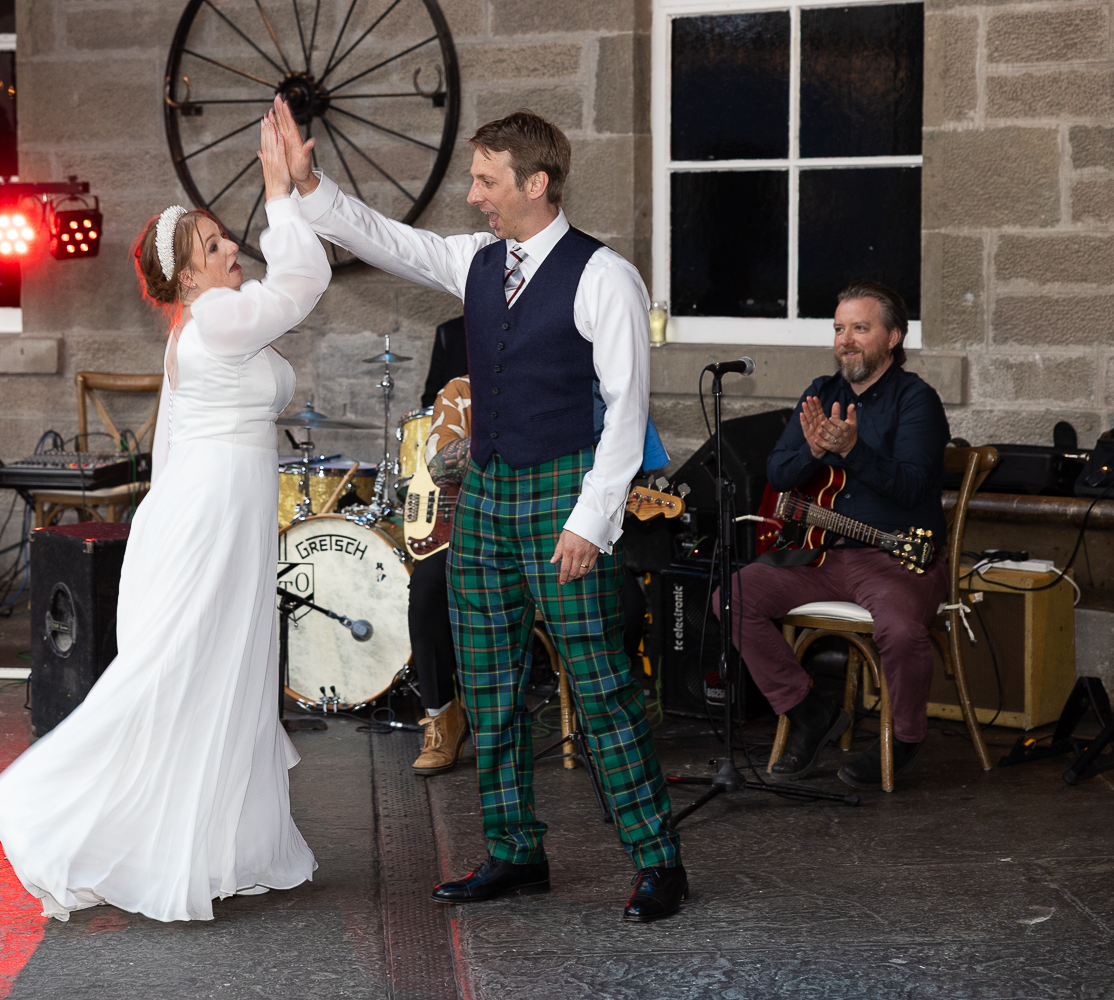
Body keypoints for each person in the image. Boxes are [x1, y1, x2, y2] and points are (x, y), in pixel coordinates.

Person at [275, 98, 687, 921]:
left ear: (536, 183)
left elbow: (627, 409)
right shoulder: (475, 259)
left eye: (487, 180)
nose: (472, 195)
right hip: (489, 497)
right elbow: (389, 239)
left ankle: (659, 861)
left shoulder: (604, 275)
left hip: (565, 494)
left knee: (602, 684)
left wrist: (590, 521)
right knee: (491, 682)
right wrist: (310, 186)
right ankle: (514, 852)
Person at [0, 113, 329, 924]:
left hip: (222, 516)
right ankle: (45, 809)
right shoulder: (214, 320)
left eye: (224, 236)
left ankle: (215, 849)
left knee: (223, 680)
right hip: (212, 519)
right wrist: (280, 193)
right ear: (186, 277)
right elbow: (306, 281)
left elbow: (170, 442)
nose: (231, 246)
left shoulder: (206, 326)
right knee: (186, 676)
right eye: (213, 245)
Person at [722, 280, 950, 791]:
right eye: (839, 329)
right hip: (819, 556)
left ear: (893, 337)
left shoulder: (917, 400)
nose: (846, 340)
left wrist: (852, 451)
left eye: (860, 328)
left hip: (896, 559)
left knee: (900, 630)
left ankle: (905, 738)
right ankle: (809, 713)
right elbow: (778, 472)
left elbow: (913, 485)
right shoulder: (820, 393)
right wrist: (812, 450)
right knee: (732, 596)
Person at [408, 370, 471, 776]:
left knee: (626, 601)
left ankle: (599, 720)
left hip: (551, 532)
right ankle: (442, 715)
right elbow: (440, 466)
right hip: (468, 527)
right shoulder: (462, 390)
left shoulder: (587, 384)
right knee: (427, 587)